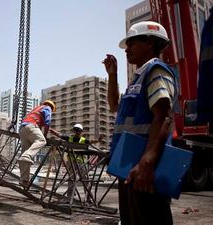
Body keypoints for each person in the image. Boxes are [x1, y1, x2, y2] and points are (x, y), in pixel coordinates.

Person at [103, 21, 178, 225]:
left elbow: (163, 116)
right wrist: (112, 75)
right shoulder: (139, 77)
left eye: (132, 43)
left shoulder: (156, 71)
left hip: (143, 168)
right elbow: (114, 106)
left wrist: (147, 162)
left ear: (150, 42)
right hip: (128, 166)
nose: (127, 49)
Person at [50, 124, 101, 201]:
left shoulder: (83, 140)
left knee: (85, 180)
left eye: (78, 130)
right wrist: (53, 132)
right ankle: (70, 196)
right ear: (74, 131)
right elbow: (61, 135)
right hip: (71, 162)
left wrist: (98, 140)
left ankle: (88, 197)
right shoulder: (69, 138)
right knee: (71, 179)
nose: (77, 132)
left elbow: (91, 141)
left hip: (81, 163)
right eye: (76, 130)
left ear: (81, 131)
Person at [17, 100, 56, 188]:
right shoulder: (47, 107)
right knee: (42, 141)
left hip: (22, 129)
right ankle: (27, 156)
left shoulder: (36, 109)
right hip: (31, 126)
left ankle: (24, 180)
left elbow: (40, 126)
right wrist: (45, 135)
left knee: (24, 155)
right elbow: (48, 121)